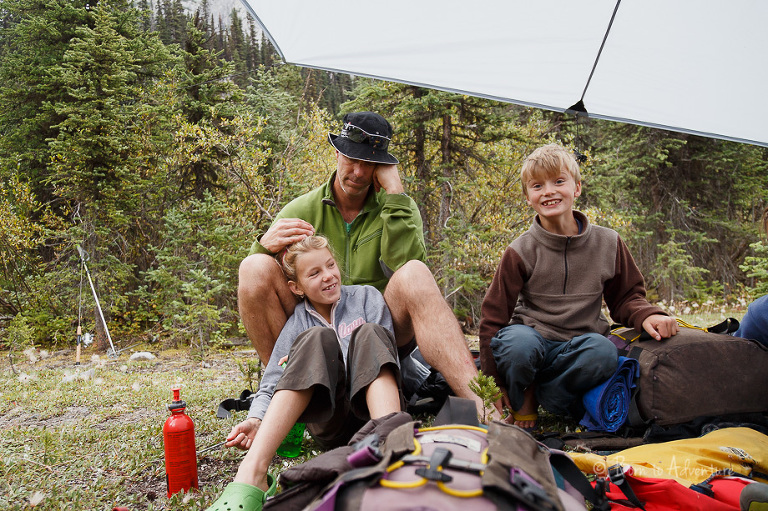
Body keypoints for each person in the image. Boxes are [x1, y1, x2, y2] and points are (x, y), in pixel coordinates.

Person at [238, 111, 499, 421]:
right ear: (337, 152)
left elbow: (408, 268)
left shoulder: (397, 206)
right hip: (314, 335)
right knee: (253, 268)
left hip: (380, 333)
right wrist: (262, 246)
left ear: (381, 168)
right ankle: (288, 399)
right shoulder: (302, 210)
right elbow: (271, 281)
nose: (358, 172)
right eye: (351, 159)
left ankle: (485, 409)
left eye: (369, 163)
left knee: (415, 273)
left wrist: (395, 194)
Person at [478, 143, 678, 430]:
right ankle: (524, 397)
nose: (548, 191)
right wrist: (493, 384)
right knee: (518, 345)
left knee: (604, 352)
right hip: (532, 339)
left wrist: (649, 315)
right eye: (537, 185)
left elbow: (626, 297)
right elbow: (492, 318)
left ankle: (548, 395)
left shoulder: (608, 242)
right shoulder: (520, 250)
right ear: (528, 197)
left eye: (559, 181)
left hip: (578, 346)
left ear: (577, 188)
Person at [208, 235, 404, 511]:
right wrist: (255, 419)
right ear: (296, 287)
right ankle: (252, 475)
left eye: (331, 265)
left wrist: (335, 355)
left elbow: (386, 356)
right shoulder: (297, 324)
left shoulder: (366, 298)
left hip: (376, 410)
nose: (328, 276)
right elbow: (271, 383)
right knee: (314, 338)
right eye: (315, 273)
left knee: (370, 333)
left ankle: (393, 454)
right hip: (329, 421)